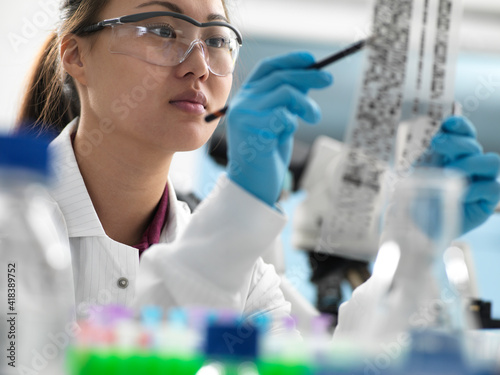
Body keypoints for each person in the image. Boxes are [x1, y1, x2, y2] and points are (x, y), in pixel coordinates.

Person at [16, 0, 499, 338]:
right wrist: (242, 205)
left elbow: (334, 364)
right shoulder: (11, 233)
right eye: (163, 30)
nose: (199, 66)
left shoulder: (245, 277)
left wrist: (413, 245)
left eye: (217, 39)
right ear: (75, 54)